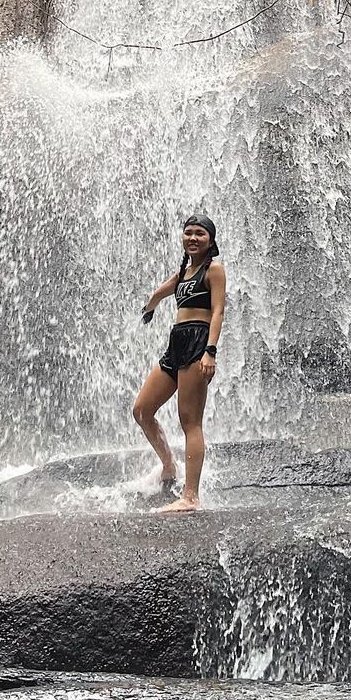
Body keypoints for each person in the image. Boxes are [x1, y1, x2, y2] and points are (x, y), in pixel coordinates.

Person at [133, 215, 227, 514]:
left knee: (190, 422)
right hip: (176, 344)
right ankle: (168, 466)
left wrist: (210, 351)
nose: (193, 238)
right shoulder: (185, 272)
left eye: (200, 234)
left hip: (198, 343)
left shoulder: (214, 270)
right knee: (142, 410)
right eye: (188, 233)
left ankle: (191, 497)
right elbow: (163, 290)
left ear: (210, 240)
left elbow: (218, 312)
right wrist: (149, 307)